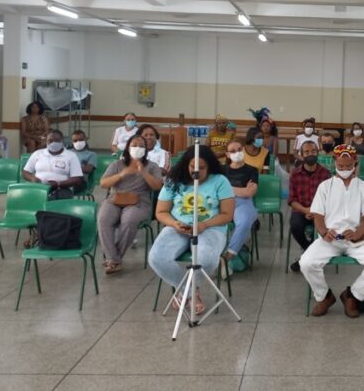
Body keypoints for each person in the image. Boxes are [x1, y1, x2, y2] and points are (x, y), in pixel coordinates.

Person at [301, 144, 364, 318]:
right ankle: (324, 296)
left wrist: (358, 233)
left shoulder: (363, 187)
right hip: (330, 238)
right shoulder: (325, 186)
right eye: (341, 166)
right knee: (306, 262)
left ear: (355, 163)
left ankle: (353, 295)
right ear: (334, 162)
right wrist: (323, 231)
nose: (344, 169)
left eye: (348, 166)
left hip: (355, 239)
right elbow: (318, 214)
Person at [149, 145, 235, 315]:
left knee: (207, 259)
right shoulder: (174, 180)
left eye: (202, 168)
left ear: (209, 166)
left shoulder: (220, 181)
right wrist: (174, 224)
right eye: (192, 167)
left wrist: (204, 225)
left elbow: (227, 214)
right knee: (157, 258)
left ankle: (185, 292)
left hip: (210, 227)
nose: (196, 172)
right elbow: (161, 212)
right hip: (178, 226)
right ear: (186, 165)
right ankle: (190, 292)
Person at [97, 135, 164, 274]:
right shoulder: (116, 165)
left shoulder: (152, 166)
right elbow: (103, 183)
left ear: (146, 150)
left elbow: (157, 186)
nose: (137, 148)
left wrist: (143, 172)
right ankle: (114, 259)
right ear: (128, 147)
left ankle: (113, 260)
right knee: (103, 219)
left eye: (141, 146)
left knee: (129, 220)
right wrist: (122, 174)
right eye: (134, 145)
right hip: (115, 198)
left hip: (140, 201)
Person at [287, 140, 331, 272]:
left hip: (321, 212)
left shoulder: (325, 174)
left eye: (313, 151)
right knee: (295, 226)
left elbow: (329, 199)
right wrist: (305, 210)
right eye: (306, 152)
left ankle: (306, 258)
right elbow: (292, 200)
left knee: (323, 229)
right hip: (301, 209)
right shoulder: (295, 173)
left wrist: (316, 212)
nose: (310, 154)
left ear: (318, 153)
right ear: (301, 155)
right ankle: (309, 251)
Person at [223, 139, 259, 263]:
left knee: (244, 222)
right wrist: (242, 190)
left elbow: (250, 192)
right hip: (223, 202)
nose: (236, 153)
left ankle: (227, 258)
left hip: (243, 203)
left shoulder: (251, 170)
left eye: (239, 150)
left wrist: (227, 188)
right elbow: (217, 191)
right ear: (227, 154)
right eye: (232, 151)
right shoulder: (222, 170)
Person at [23, 130, 85, 198]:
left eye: (57, 140)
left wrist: (58, 184)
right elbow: (25, 172)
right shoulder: (38, 154)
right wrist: (32, 178)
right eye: (50, 140)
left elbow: (76, 179)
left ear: (62, 141)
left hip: (62, 188)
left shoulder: (71, 156)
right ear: (46, 141)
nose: (53, 143)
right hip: (39, 187)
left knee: (53, 199)